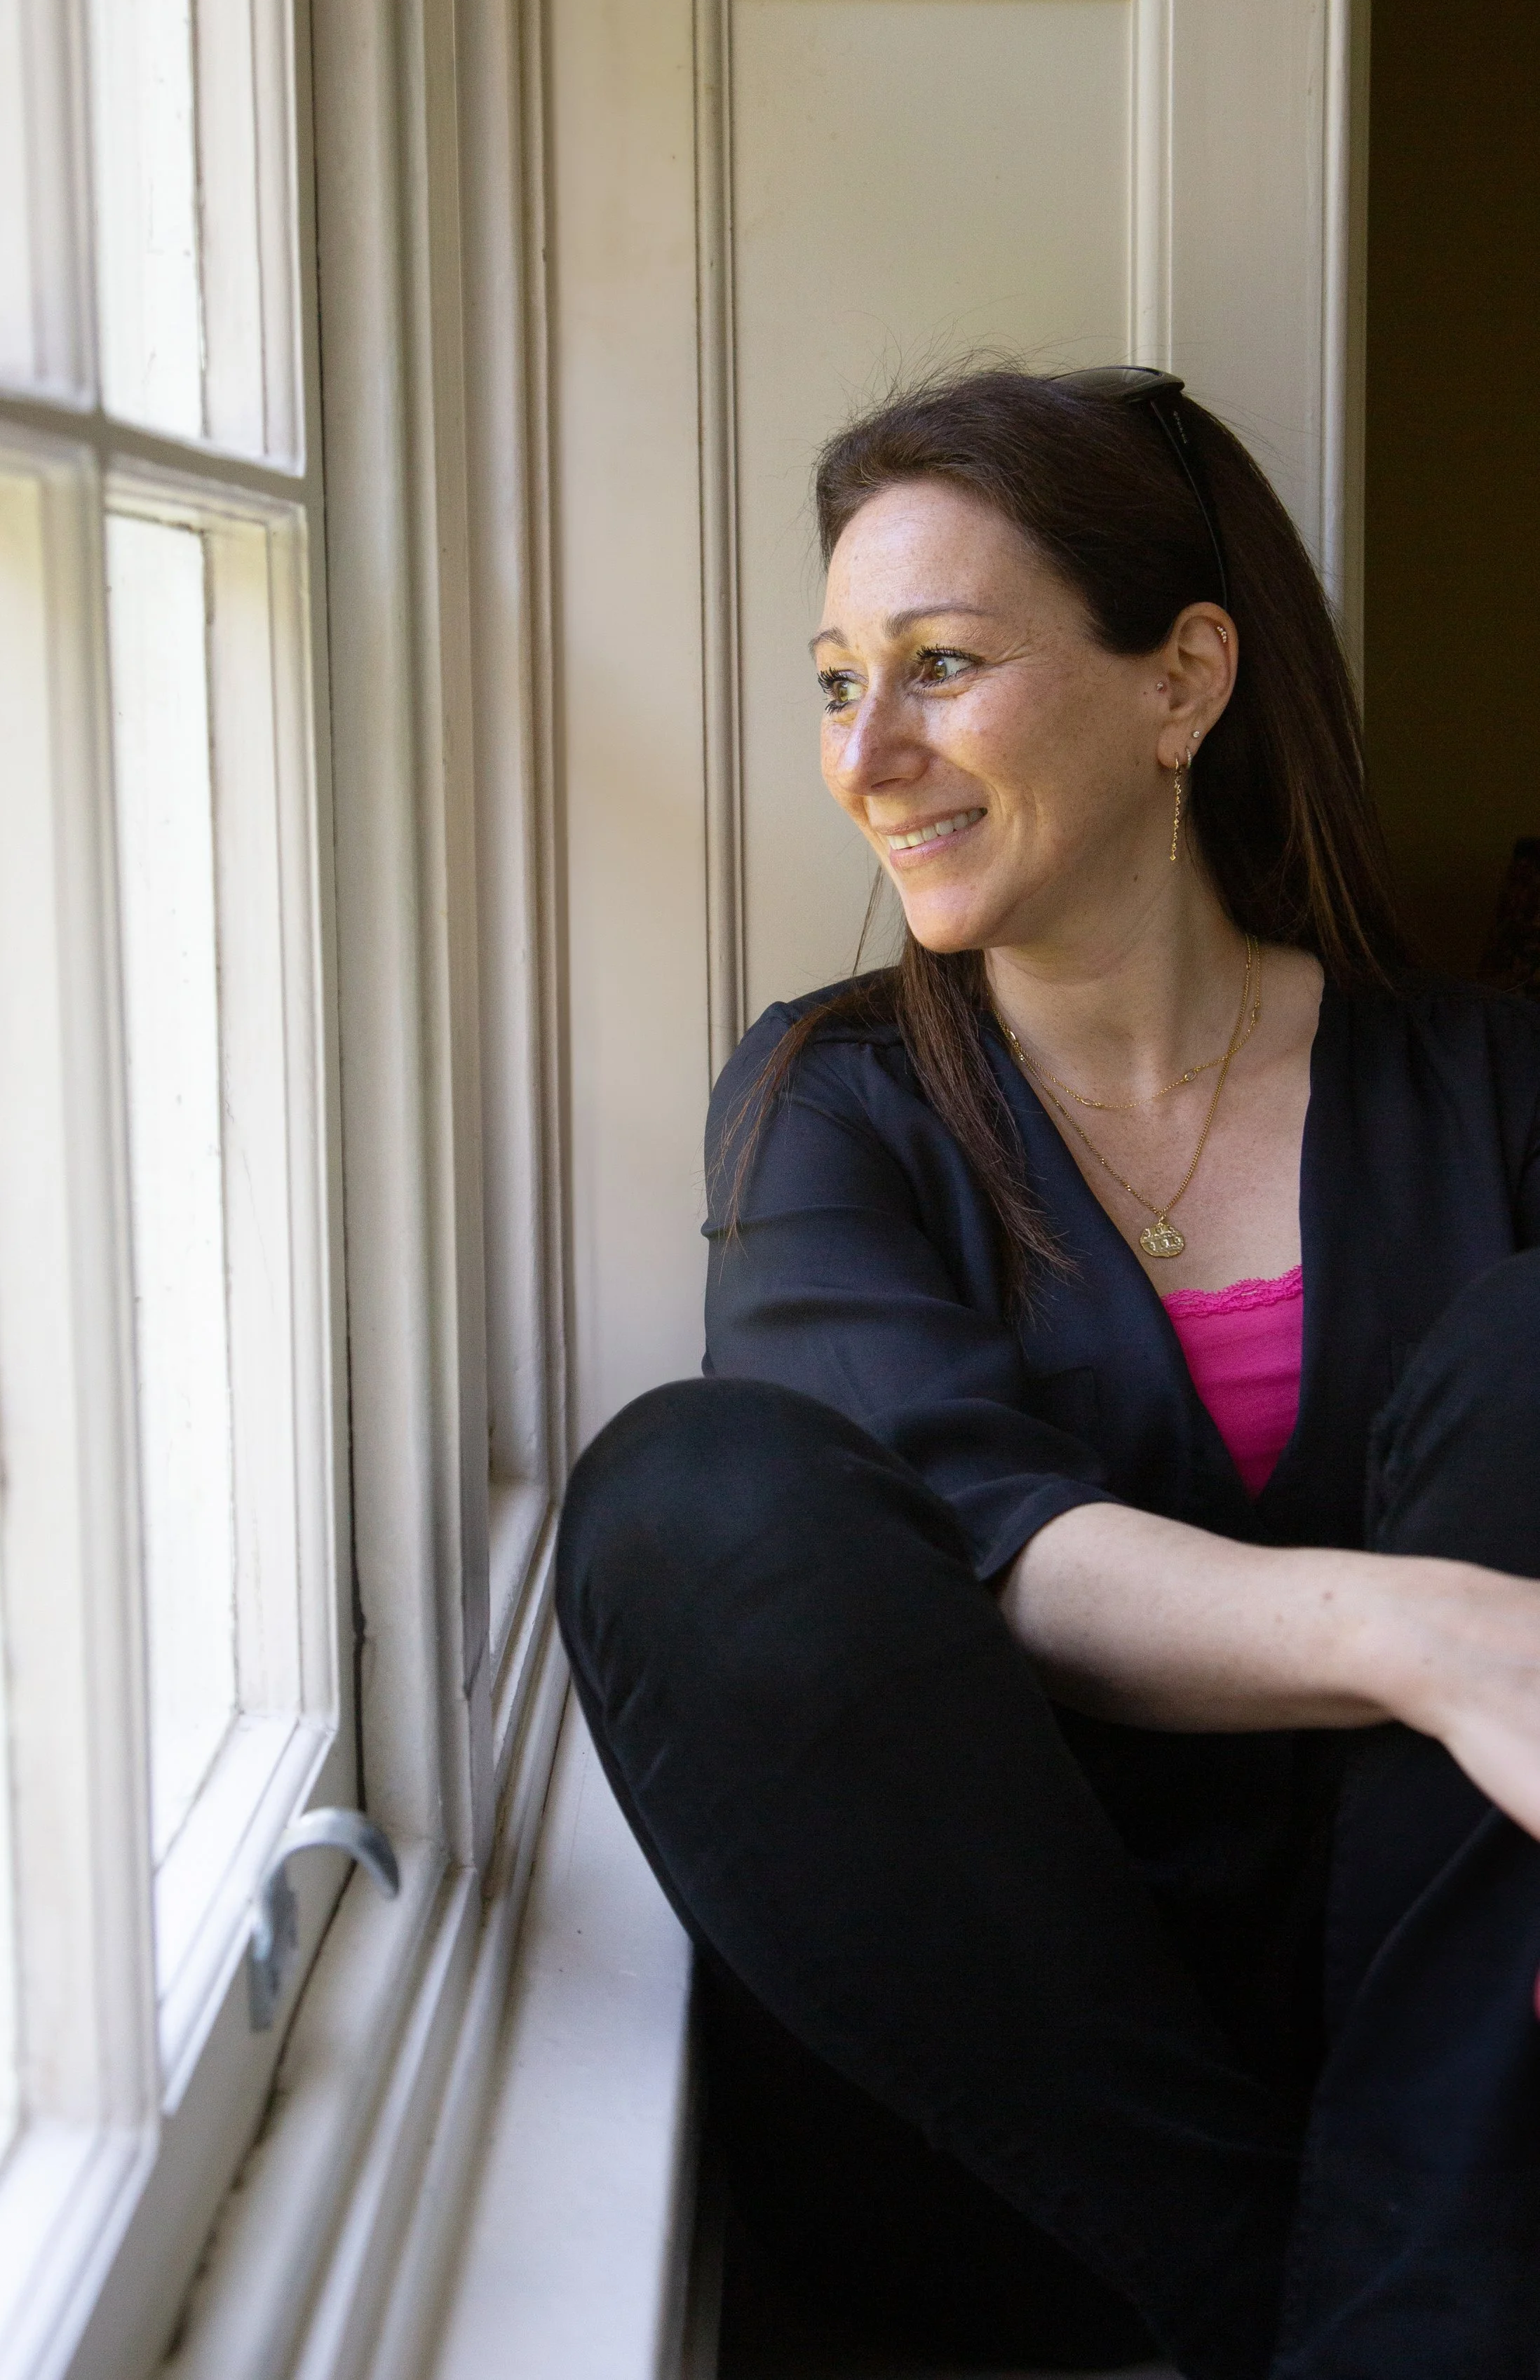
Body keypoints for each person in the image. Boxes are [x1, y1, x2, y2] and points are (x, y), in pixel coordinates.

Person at [556, 366, 1540, 2380]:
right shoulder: (831, 1100)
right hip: (1025, 2123)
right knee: (685, 1496)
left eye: (937, 665)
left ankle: (1401, 2272)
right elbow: (972, 1538)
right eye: (839, 683)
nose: (870, 752)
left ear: (1180, 681)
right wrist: (1431, 1633)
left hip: (1430, 2050)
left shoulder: (1485, 1083)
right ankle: (1354, 2307)